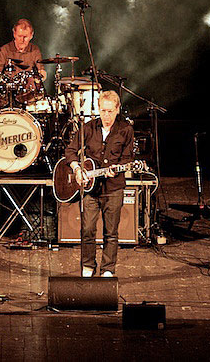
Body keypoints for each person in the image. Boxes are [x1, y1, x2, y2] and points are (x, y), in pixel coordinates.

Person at [64, 90, 133, 277]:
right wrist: (77, 169)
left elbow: (127, 159)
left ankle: (108, 269)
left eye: (110, 111)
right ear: (98, 109)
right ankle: (88, 266)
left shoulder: (126, 129)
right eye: (103, 111)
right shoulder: (88, 128)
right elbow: (70, 151)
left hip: (114, 188)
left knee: (111, 232)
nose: (106, 116)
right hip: (90, 189)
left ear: (117, 109)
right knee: (87, 229)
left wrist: (116, 169)